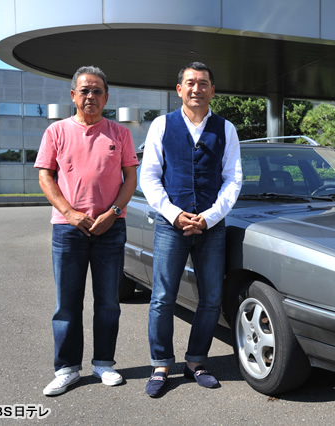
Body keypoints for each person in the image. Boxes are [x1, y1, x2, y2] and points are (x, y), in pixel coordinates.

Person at [140, 62, 242, 397]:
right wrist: (173, 213)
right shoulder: (161, 125)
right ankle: (160, 364)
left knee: (211, 298)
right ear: (179, 89)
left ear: (212, 90)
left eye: (203, 83)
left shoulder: (226, 129)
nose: (196, 88)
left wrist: (210, 217)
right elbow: (149, 176)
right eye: (190, 83)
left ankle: (196, 361)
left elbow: (233, 178)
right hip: (171, 225)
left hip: (211, 227)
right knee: (162, 297)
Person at [35, 65, 139, 396]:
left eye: (97, 91)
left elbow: (130, 178)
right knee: (67, 303)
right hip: (68, 229)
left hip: (110, 228)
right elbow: (45, 176)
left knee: (108, 301)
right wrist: (69, 213)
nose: (90, 96)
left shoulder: (119, 133)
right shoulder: (56, 132)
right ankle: (67, 368)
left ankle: (104, 363)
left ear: (106, 97)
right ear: (73, 96)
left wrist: (113, 213)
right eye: (85, 90)